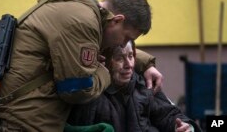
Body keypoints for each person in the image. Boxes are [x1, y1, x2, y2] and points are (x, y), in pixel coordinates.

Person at [0, 0, 162, 131]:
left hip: (10, 111)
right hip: (16, 119)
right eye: (126, 38)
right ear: (117, 20)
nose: (124, 44)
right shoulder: (82, 21)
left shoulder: (80, 8)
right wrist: (103, 73)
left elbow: (93, 43)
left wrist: (144, 63)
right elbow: (77, 90)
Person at [67, 40, 202, 132]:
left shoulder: (143, 86)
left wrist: (186, 127)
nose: (129, 65)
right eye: (119, 58)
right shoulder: (91, 95)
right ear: (104, 61)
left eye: (131, 56)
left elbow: (168, 114)